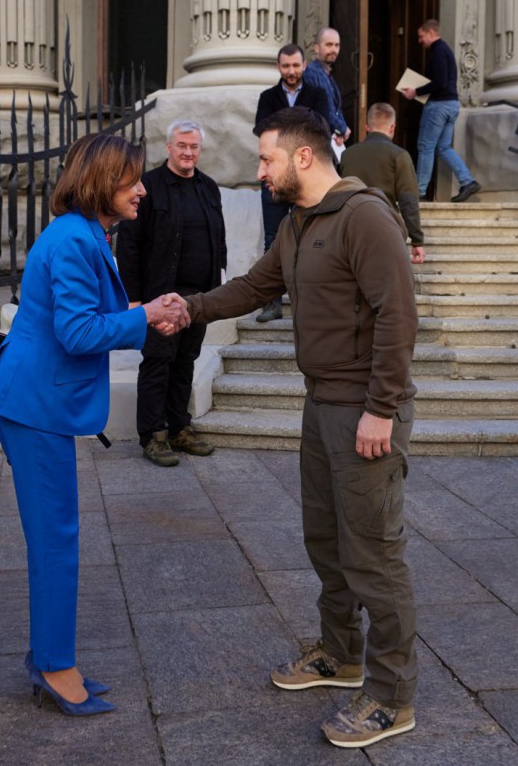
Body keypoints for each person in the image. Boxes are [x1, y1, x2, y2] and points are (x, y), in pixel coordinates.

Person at [166, 106, 419, 749]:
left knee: (374, 556)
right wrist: (189, 308)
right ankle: (342, 654)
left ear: (302, 157)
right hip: (321, 404)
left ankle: (392, 696)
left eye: (267, 158)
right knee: (326, 540)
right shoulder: (301, 224)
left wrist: (381, 410)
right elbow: (255, 286)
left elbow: (398, 315)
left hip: (365, 410)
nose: (261, 170)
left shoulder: (365, 216)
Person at [0, 133, 189, 716]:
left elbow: (87, 318)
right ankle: (53, 666)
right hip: (33, 406)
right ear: (102, 181)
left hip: (33, 400)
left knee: (57, 536)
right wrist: (146, 316)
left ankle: (50, 656)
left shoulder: (82, 233)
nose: (143, 189)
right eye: (132, 179)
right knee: (56, 539)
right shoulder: (74, 240)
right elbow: (77, 335)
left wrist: (143, 313)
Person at [117, 120, 226, 467]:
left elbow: (218, 240)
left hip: (198, 299)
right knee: (158, 363)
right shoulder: (148, 187)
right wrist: (134, 300)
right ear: (168, 147)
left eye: (194, 147)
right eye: (182, 145)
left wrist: (217, 291)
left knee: (185, 362)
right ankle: (153, 435)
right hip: (159, 297)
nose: (188, 152)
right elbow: (130, 246)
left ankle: (179, 428)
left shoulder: (209, 188)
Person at [254, 44, 330, 322]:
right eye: (286, 66)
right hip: (275, 178)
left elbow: (323, 126)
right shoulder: (267, 96)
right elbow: (262, 129)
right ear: (279, 67)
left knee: (315, 238)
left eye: (295, 65)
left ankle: (311, 302)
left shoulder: (317, 94)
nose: (291, 71)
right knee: (273, 240)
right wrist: (299, 123)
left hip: (307, 177)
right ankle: (271, 303)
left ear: (304, 66)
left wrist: (282, 127)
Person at [401, 19, 481, 202]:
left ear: (430, 33)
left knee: (425, 146)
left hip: (438, 106)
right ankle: (467, 181)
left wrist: (415, 92)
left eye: (421, 36)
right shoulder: (445, 50)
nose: (420, 41)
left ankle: (419, 191)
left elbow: (440, 82)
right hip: (452, 104)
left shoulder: (438, 51)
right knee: (443, 147)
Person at [340, 102, 426, 264]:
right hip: (385, 228)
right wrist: (417, 240)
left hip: (350, 228)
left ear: (367, 127)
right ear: (392, 128)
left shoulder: (347, 155)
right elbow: (408, 201)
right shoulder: (399, 155)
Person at [304, 27, 351, 161]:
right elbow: (324, 107)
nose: (334, 49)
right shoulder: (311, 72)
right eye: (329, 45)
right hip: (316, 141)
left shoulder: (327, 75)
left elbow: (336, 109)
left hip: (329, 140)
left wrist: (341, 131)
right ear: (316, 48)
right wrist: (342, 128)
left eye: (337, 45)